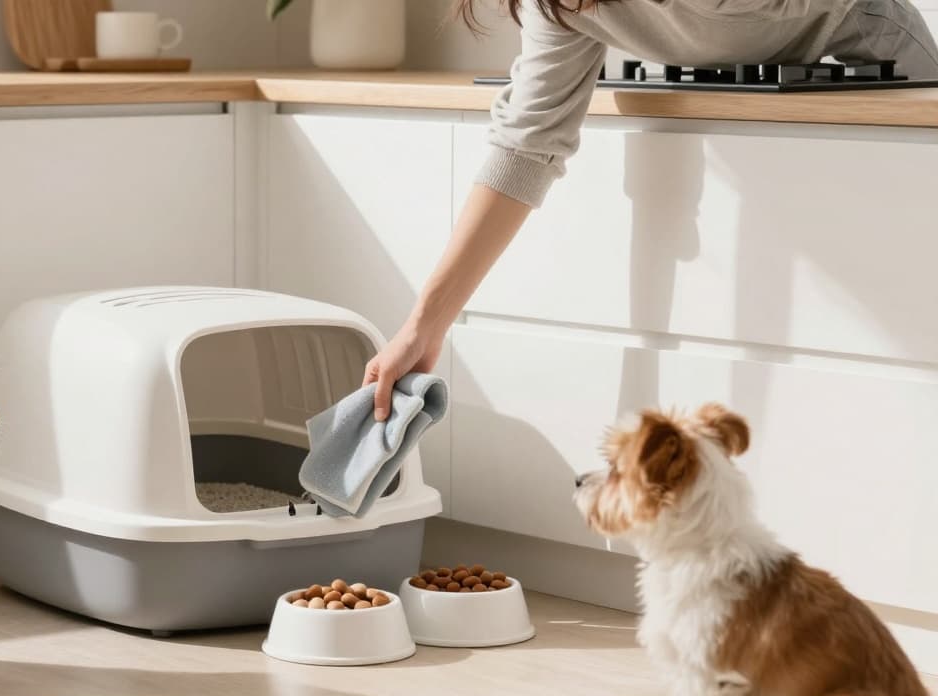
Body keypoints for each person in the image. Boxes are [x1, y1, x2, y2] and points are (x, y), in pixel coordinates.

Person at [363, 0, 938, 420]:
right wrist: (422, 327)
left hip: (868, 47)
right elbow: (525, 146)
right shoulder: (561, 5)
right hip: (738, 75)